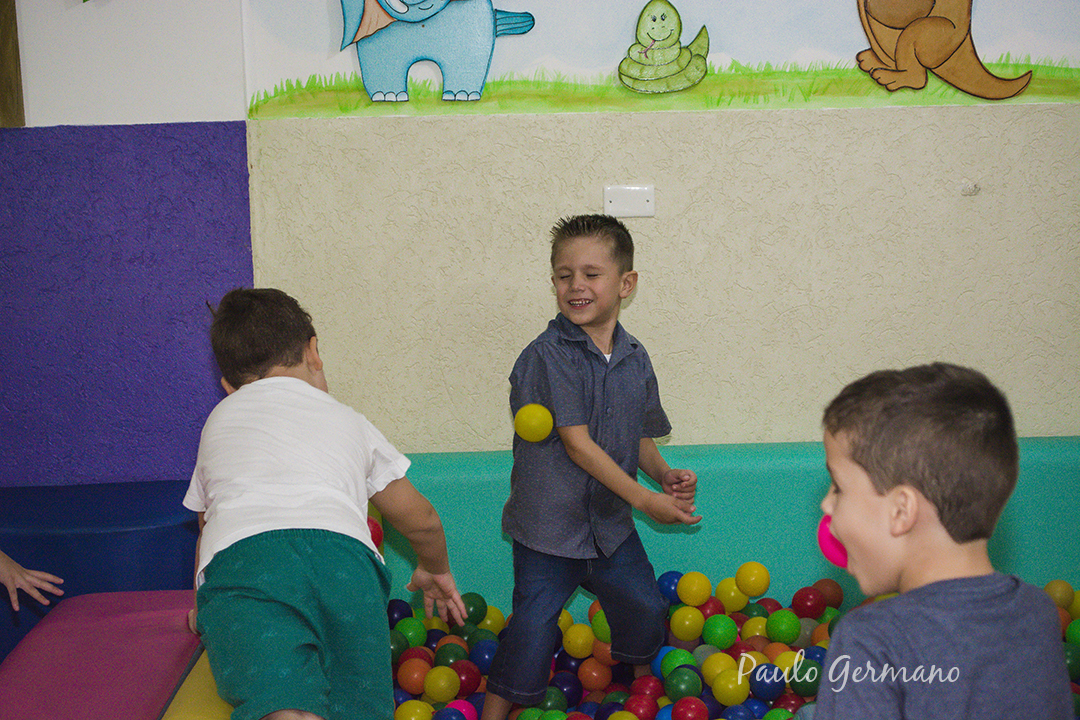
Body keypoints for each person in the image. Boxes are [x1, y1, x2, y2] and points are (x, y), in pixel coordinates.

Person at [185, 288, 467, 720]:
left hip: (248, 564)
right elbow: (421, 520)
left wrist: (203, 608)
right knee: (356, 703)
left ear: (227, 387)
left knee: (283, 701)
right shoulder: (349, 420)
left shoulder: (219, 420)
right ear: (314, 351)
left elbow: (210, 527)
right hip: (346, 565)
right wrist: (434, 567)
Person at [481, 214, 701, 720]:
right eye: (563, 275)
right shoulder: (546, 357)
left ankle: (639, 692)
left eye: (590, 274)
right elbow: (577, 445)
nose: (575, 285)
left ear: (626, 284)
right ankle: (495, 711)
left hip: (609, 526)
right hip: (547, 529)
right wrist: (646, 500)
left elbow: (637, 434)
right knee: (533, 628)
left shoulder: (634, 357)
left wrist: (662, 474)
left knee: (644, 608)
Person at [816, 362, 1072, 719]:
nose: (827, 505)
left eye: (838, 488)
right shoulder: (1038, 612)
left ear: (901, 511)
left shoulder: (869, 641)